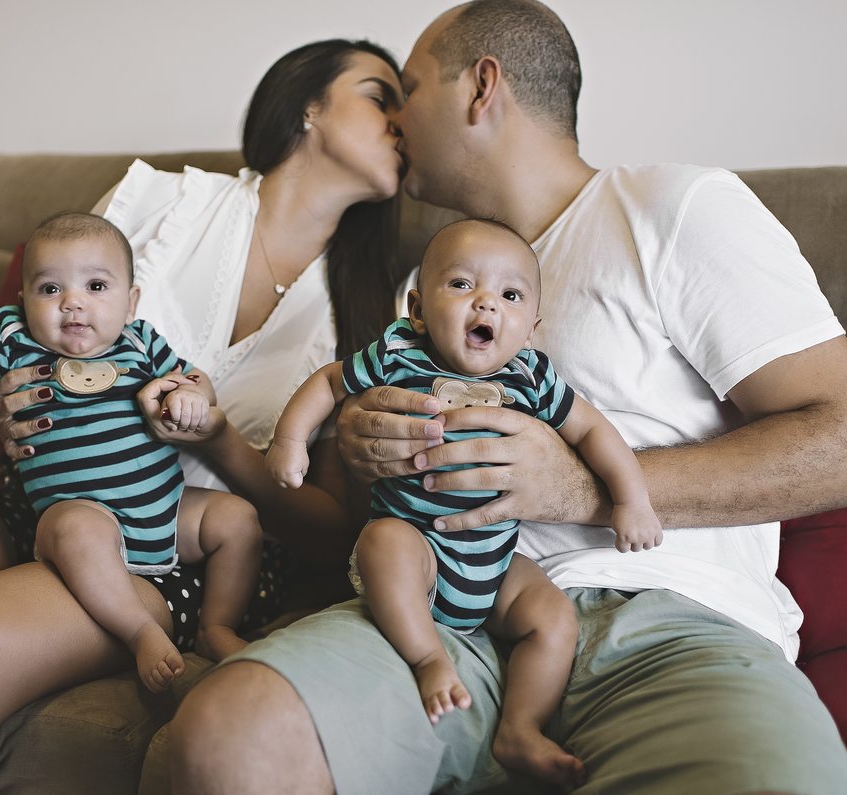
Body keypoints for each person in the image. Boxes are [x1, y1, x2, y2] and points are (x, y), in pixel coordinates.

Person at [168, 2, 847, 795]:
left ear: (481, 90)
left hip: (668, 620)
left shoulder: (670, 207)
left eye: (407, 88)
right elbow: (354, 521)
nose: (396, 117)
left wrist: (576, 487)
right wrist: (369, 455)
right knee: (222, 734)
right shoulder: (423, 290)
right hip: (443, 616)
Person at [0, 39, 405, 795]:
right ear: (308, 107)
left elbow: (326, 528)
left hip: (175, 545)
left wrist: (217, 438)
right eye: (379, 94)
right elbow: (33, 333)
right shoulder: (162, 201)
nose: (401, 118)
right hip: (37, 496)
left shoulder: (380, 310)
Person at [267, 218, 661, 785]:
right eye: (461, 285)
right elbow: (329, 383)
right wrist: (289, 441)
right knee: (384, 541)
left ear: (531, 327)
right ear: (419, 308)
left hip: (493, 568)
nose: (487, 304)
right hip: (416, 553)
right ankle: (429, 657)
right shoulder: (398, 354)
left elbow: (594, 431)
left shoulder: (533, 377)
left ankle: (521, 727)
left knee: (551, 618)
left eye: (510, 295)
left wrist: (631, 499)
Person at [0, 212, 262, 690]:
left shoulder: (141, 342)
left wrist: (192, 395)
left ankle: (216, 627)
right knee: (74, 529)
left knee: (238, 519)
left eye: (96, 287)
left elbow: (197, 382)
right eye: (49, 290)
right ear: (23, 300)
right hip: (83, 513)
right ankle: (140, 629)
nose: (72, 303)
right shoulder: (13, 339)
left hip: (165, 511)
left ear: (131, 303)